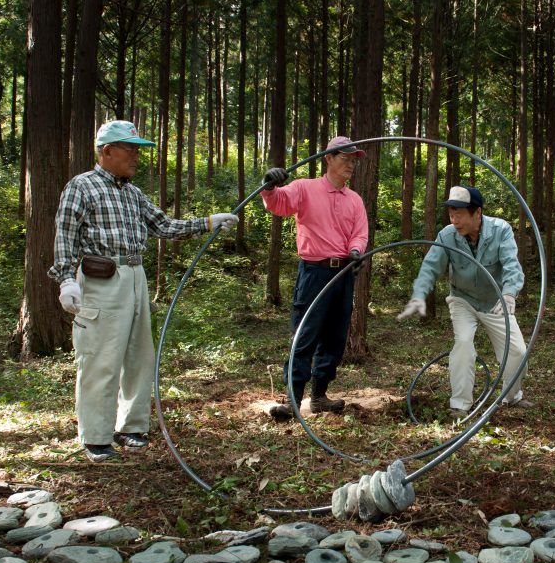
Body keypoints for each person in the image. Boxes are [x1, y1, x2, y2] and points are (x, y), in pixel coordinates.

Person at [49, 120, 238, 463]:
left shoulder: (132, 193)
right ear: (107, 151)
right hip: (102, 278)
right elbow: (65, 235)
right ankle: (96, 436)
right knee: (101, 359)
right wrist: (66, 279)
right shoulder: (82, 187)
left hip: (135, 276)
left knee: (139, 356)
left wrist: (209, 222)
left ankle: (131, 427)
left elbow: (164, 226)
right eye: (130, 149)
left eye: (138, 149)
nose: (137, 156)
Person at [397, 185, 533, 416]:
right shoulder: (447, 236)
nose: (454, 220)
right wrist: (419, 293)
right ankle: (460, 404)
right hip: (463, 300)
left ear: (477, 213)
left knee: (517, 351)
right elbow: (431, 267)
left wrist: (510, 293)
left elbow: (512, 265)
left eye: (459, 215)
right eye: (451, 215)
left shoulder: (501, 230)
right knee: (463, 344)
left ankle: (512, 397)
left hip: (496, 300)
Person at [260, 136, 369, 420]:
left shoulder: (354, 199)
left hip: (343, 272)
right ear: (329, 159)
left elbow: (360, 232)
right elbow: (279, 204)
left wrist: (356, 252)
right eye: (344, 158)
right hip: (314, 272)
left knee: (335, 335)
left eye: (353, 160)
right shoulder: (305, 188)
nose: (350, 165)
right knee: (305, 333)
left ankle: (319, 396)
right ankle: (293, 399)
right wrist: (270, 185)